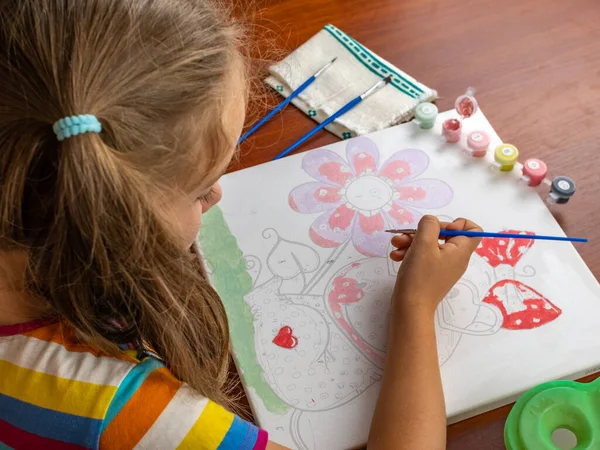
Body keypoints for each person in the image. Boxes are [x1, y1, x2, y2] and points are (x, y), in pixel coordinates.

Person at [0, 0, 482, 448]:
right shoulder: (133, 412)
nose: (217, 196)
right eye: (199, 189)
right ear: (113, 219)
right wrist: (416, 307)